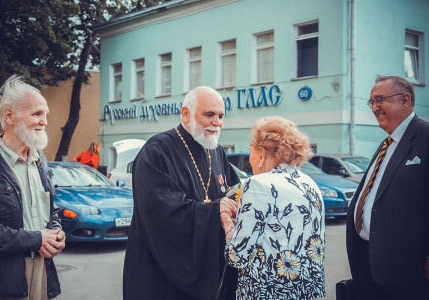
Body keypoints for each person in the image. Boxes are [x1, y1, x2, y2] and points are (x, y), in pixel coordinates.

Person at [122, 86, 240, 300]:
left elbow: (234, 193)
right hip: (162, 275)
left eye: (221, 116)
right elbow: (160, 213)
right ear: (186, 114)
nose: (217, 122)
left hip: (209, 268)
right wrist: (214, 210)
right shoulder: (157, 150)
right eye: (209, 114)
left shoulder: (217, 151)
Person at [0, 75, 66, 300]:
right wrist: (36, 239)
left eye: (45, 114)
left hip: (42, 269)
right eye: (37, 114)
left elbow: (51, 210)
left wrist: (56, 235)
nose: (45, 121)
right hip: (1, 278)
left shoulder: (40, 161)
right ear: (9, 115)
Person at [223, 116, 326, 300]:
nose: (251, 159)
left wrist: (228, 224)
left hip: (268, 293)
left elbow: (237, 256)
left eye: (251, 153)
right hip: (304, 293)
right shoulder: (310, 183)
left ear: (262, 154)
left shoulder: (258, 184)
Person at [346, 75, 429, 300]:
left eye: (380, 99)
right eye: (371, 102)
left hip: (407, 272)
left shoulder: (425, 136)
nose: (375, 107)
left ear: (405, 100)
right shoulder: (386, 144)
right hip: (369, 264)